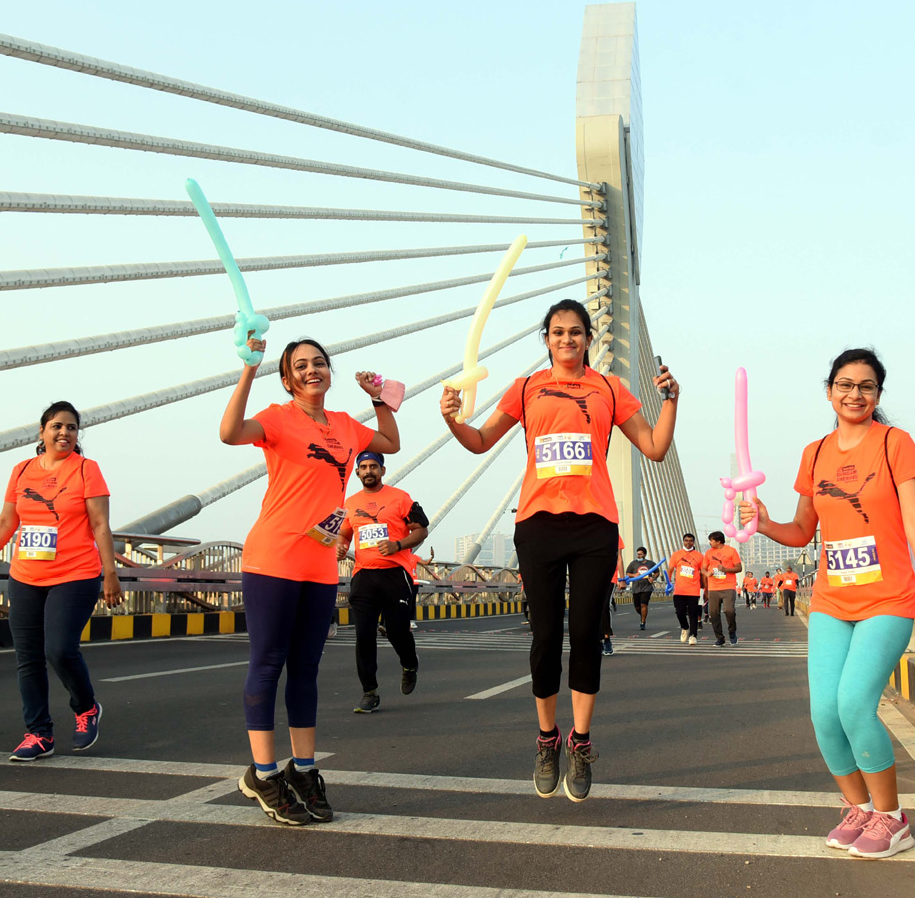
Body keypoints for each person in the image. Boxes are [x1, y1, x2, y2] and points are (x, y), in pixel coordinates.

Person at [440, 297, 678, 802]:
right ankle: (547, 739)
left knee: (587, 635)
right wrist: (452, 420)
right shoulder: (526, 388)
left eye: (575, 332)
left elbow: (654, 448)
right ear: (545, 339)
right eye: (557, 332)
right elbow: (481, 440)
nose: (566, 339)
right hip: (538, 525)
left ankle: (582, 741)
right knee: (546, 637)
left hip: (594, 525)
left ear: (589, 338)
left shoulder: (610, 388)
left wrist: (672, 402)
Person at [740, 347, 915, 859]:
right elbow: (802, 531)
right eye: (845, 384)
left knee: (855, 706)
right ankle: (857, 807)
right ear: (829, 390)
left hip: (889, 598)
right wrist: (765, 523)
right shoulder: (814, 454)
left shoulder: (894, 445)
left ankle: (892, 818)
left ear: (878, 395)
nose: (855, 394)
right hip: (832, 602)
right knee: (824, 714)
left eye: (866, 386)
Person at [221, 335, 399, 825]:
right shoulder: (278, 418)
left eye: (319, 362)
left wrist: (379, 399)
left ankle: (303, 770)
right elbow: (229, 431)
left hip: (320, 564)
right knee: (268, 663)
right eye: (300, 366)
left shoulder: (344, 426)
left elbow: (390, 443)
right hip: (273, 557)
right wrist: (247, 370)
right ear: (287, 378)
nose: (312, 370)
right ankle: (263, 773)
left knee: (305, 669)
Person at [0, 402, 122, 762]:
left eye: (70, 427)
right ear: (42, 432)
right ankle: (38, 734)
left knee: (60, 650)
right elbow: (6, 522)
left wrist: (110, 572)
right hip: (25, 576)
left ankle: (85, 708)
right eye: (56, 426)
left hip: (76, 574)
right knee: (28, 657)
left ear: (77, 435)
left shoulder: (86, 470)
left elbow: (100, 524)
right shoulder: (21, 471)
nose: (63, 432)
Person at [336, 451, 429, 712]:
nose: (368, 471)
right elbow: (344, 535)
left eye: (373, 466)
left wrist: (397, 544)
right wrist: (341, 547)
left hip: (395, 574)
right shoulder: (350, 503)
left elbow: (422, 529)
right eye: (363, 467)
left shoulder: (400, 498)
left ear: (382, 471)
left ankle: (409, 664)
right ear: (357, 472)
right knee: (364, 635)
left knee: (397, 632)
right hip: (363, 576)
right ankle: (369, 691)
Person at [703, 531, 742, 647]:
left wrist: (725, 569)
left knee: (729, 610)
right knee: (713, 614)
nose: (710, 543)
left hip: (728, 586)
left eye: (711, 540)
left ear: (718, 541)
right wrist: (707, 573)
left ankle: (732, 632)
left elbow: (739, 568)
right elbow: (703, 569)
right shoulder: (708, 553)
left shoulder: (731, 551)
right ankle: (719, 638)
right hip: (713, 587)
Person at [668, 533, 706, 644]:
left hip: (694, 589)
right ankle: (685, 628)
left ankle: (693, 635)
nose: (688, 543)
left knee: (693, 613)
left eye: (690, 541)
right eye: (686, 540)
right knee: (679, 612)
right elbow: (670, 569)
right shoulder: (676, 554)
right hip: (679, 589)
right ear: (683, 541)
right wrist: (668, 582)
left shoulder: (699, 556)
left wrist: (704, 586)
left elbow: (702, 572)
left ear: (693, 542)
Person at [624, 546, 660, 630]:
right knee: (637, 607)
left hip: (647, 587)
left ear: (645, 554)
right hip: (636, 587)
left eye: (640, 554)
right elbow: (628, 573)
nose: (638, 556)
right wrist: (634, 575)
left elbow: (657, 572)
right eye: (637, 554)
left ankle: (643, 622)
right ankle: (643, 615)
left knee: (644, 604)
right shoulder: (633, 563)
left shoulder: (651, 564)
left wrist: (653, 578)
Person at [601, 537, 624, 656]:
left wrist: (622, 579)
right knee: (593, 608)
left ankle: (607, 639)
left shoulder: (615, 536)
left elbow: (619, 558)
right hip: (593, 577)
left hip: (611, 576)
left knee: (605, 607)